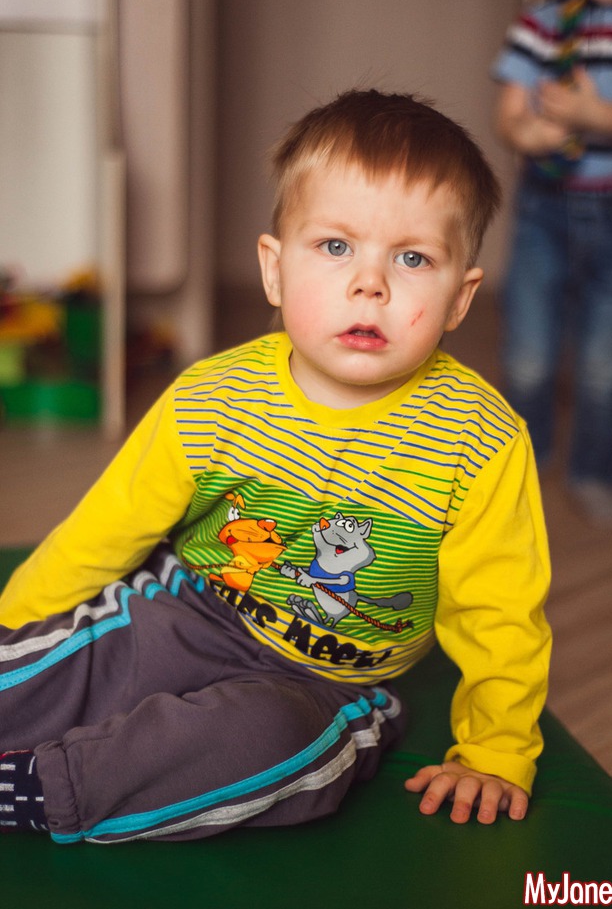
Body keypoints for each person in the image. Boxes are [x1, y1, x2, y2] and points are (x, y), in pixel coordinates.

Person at [0, 89, 551, 843]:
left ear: (460, 298)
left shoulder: (480, 441)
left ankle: (43, 790)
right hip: (184, 612)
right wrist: (18, 619)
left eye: (413, 258)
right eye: (335, 247)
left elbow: (502, 614)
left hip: (325, 682)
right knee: (63, 663)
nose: (370, 283)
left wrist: (495, 751)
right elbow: (104, 527)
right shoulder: (212, 396)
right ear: (275, 269)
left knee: (277, 743)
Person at [492, 0, 612, 524]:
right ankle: (524, 462)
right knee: (529, 357)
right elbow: (510, 118)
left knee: (607, 364)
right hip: (545, 210)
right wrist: (533, 133)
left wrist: (592, 114)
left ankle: (593, 473)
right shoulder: (542, 24)